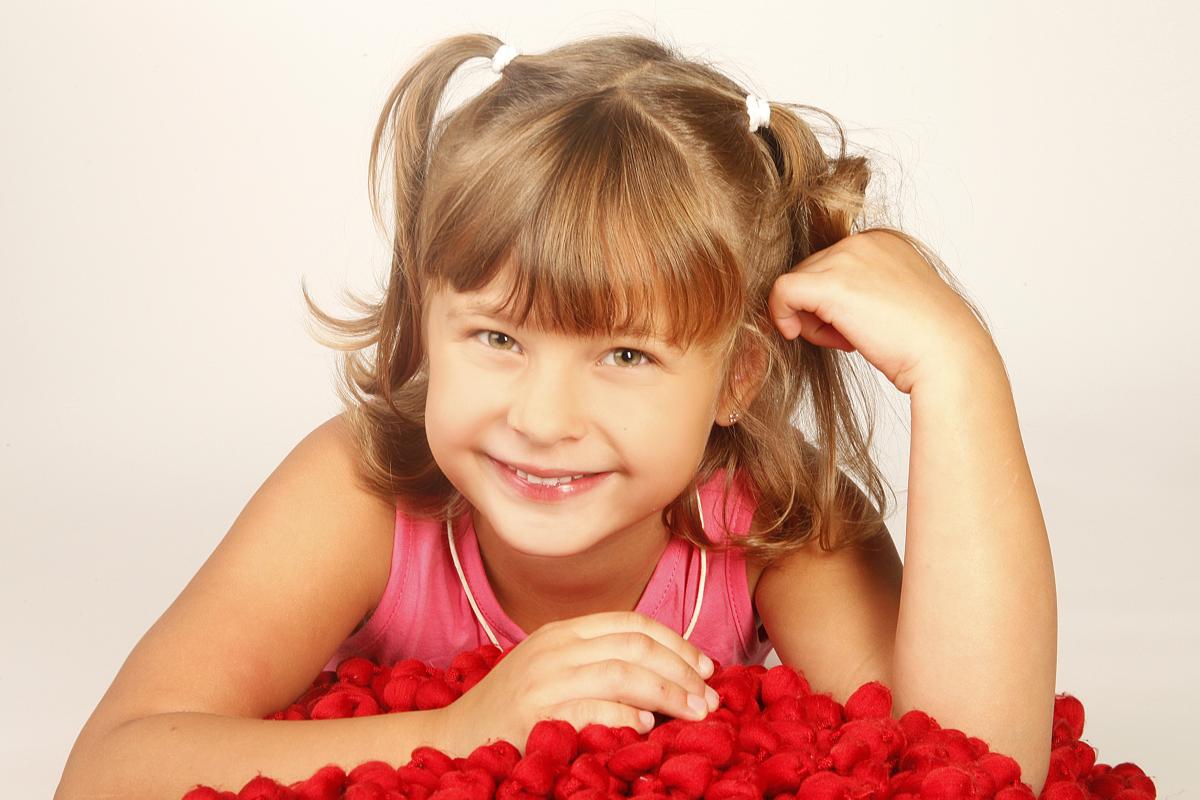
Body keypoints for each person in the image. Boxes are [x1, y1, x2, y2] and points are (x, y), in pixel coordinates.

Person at [54, 31, 1057, 799]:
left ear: (737, 377)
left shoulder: (768, 514)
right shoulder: (359, 490)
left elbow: (972, 762)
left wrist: (959, 371)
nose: (542, 417)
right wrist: (457, 732)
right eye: (498, 337)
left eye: (624, 355)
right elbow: (110, 769)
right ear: (424, 319)